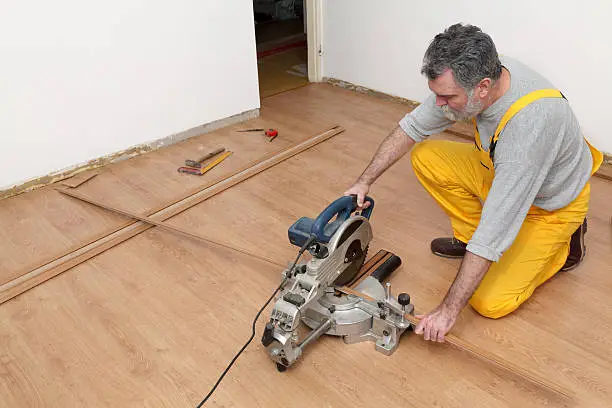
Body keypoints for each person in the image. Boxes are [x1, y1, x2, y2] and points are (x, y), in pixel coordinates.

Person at [344, 23, 603, 343]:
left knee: (489, 302)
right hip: (501, 170)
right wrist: (363, 182)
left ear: (482, 87)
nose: (437, 103)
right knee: (427, 155)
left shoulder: (528, 127)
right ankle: (472, 246)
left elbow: (494, 230)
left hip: (550, 205)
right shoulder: (481, 71)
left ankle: (566, 246)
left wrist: (447, 311)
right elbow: (412, 127)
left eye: (446, 97)